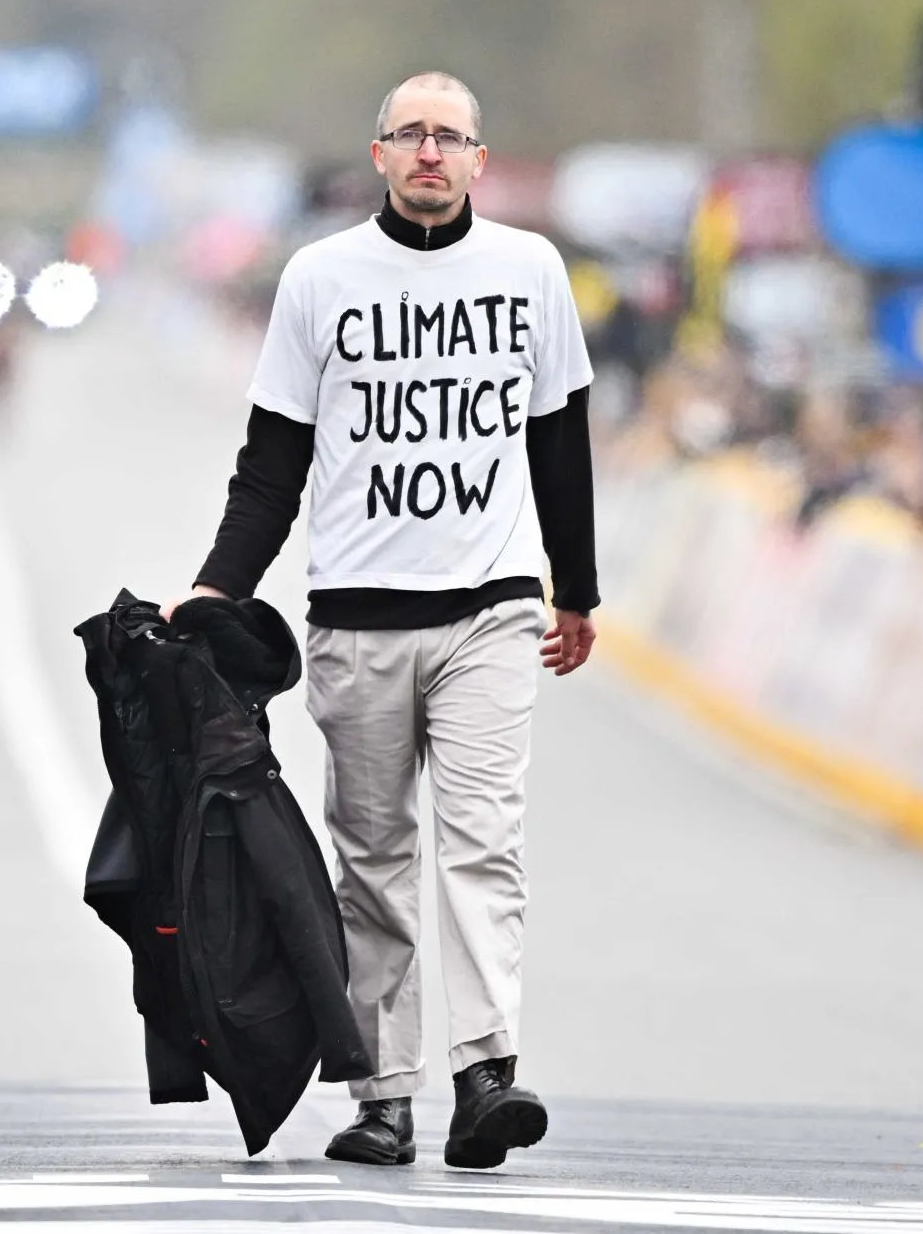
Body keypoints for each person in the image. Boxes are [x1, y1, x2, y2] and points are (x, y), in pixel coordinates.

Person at [166, 71, 599, 1169]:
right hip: (355, 619)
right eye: (408, 134)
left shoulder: (529, 270)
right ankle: (383, 1092)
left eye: (448, 136)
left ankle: (485, 1071)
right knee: (370, 859)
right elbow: (272, 463)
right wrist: (218, 587)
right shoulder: (319, 280)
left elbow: (559, 439)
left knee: (481, 842)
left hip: (491, 613)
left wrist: (575, 588)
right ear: (377, 155)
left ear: (477, 161)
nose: (427, 153)